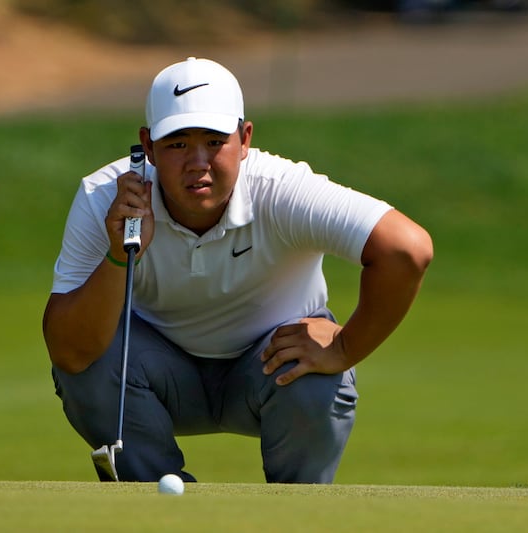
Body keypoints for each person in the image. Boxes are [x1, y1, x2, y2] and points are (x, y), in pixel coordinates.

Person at [42, 57, 433, 483]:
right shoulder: (106, 198)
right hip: (154, 373)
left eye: (214, 141)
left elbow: (406, 250)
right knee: (93, 359)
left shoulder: (280, 191)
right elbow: (69, 350)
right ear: (148, 146)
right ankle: (154, 510)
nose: (197, 162)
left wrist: (343, 348)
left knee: (316, 377)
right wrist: (119, 253)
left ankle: (294, 517)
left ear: (244, 139)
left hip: (267, 367)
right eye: (177, 143)